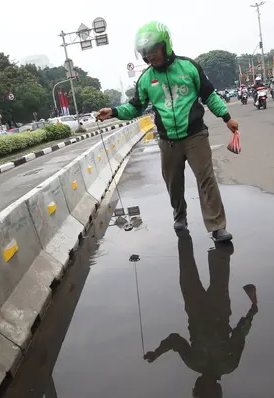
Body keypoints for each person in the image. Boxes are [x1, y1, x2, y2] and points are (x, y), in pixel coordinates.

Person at [97, 21, 237, 242]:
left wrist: (227, 118)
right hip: (167, 140)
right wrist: (113, 111)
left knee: (206, 179)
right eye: (146, 54)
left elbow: (209, 95)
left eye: (154, 51)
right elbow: (135, 107)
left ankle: (217, 226)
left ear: (166, 46)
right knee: (174, 183)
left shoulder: (189, 67)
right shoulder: (145, 80)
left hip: (195, 135)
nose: (150, 57)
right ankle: (179, 215)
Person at [143, 232, 258, 398]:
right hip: (200, 309)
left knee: (212, 276)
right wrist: (156, 353)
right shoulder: (199, 363)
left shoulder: (226, 365)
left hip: (212, 310)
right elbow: (175, 340)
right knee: (188, 268)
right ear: (200, 389)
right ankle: (186, 232)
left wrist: (252, 311)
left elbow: (240, 334)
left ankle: (219, 250)